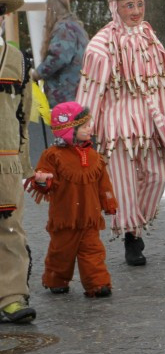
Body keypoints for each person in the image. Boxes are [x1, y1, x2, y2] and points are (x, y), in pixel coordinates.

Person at [76, 0, 165, 267]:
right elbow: (90, 88)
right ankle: (131, 237)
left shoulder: (151, 39)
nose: (136, 12)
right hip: (117, 127)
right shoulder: (101, 45)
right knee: (122, 182)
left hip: (150, 122)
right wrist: (83, 126)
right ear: (115, 7)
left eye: (139, 4)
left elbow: (161, 82)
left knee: (156, 176)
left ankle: (138, 222)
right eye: (128, 5)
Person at [25, 101, 117, 298]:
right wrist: (42, 181)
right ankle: (56, 280)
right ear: (69, 131)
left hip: (90, 218)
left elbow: (103, 184)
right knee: (61, 253)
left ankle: (98, 284)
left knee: (93, 252)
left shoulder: (94, 156)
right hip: (65, 218)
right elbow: (44, 183)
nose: (90, 128)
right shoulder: (52, 156)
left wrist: (108, 201)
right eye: (84, 126)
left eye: (89, 124)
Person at [0, 0, 35, 324]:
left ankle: (11, 296)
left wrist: (23, 164)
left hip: (5, 164)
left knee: (10, 230)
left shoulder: (17, 61)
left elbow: (23, 115)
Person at [32, 0, 89, 107]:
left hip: (65, 91)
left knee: (65, 123)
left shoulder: (64, 28)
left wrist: (37, 73)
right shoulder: (76, 27)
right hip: (78, 88)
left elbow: (58, 57)